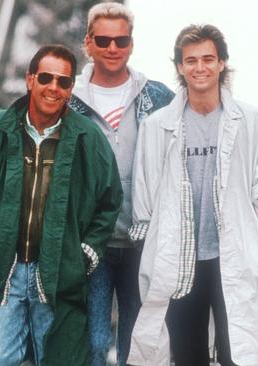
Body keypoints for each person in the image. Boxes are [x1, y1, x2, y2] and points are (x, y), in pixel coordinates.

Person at [0, 44, 122, 365]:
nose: (53, 87)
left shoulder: (89, 138)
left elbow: (109, 201)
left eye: (64, 81)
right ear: (30, 79)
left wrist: (85, 253)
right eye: (45, 77)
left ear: (71, 89)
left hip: (59, 275)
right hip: (4, 274)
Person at [127, 24, 258, 366]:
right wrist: (151, 246)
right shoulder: (157, 126)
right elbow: (143, 196)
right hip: (179, 259)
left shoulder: (253, 120)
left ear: (222, 63)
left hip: (233, 256)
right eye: (191, 60)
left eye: (208, 59)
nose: (200, 67)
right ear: (180, 67)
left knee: (236, 355)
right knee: (186, 356)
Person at [68, 3, 174, 365]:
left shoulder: (159, 97)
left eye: (121, 40)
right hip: (91, 243)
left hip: (142, 242)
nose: (112, 47)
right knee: (93, 343)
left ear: (131, 44)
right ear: (88, 43)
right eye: (103, 39)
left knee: (137, 347)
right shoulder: (68, 101)